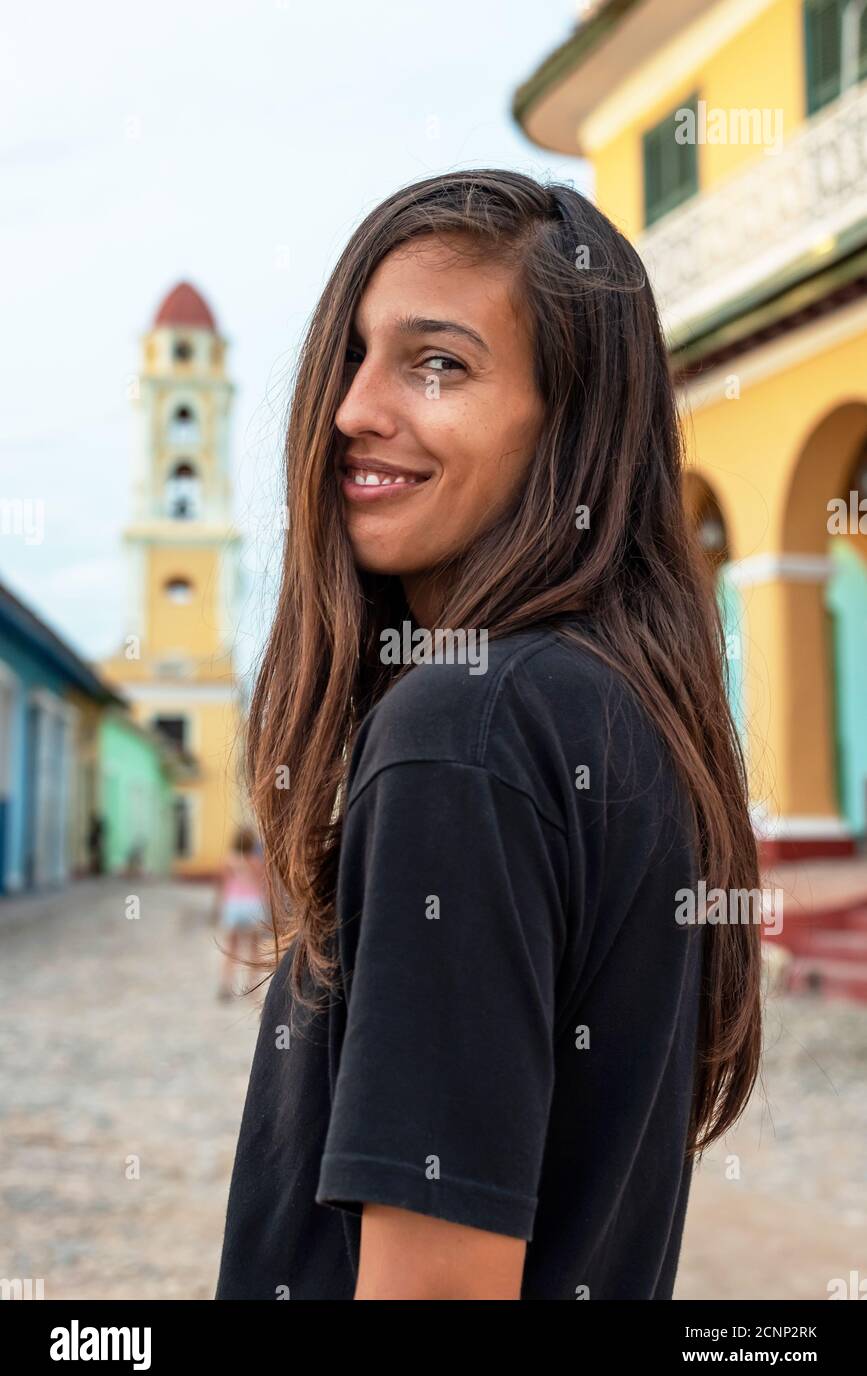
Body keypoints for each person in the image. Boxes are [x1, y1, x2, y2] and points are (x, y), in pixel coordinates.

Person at [215, 170, 763, 1300]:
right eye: (355, 356)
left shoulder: (462, 728)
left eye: (438, 364)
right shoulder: (620, 714)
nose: (355, 410)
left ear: (570, 427)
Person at [214, 828, 268, 1002]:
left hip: (234, 906)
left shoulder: (229, 861)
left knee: (231, 949)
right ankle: (253, 990)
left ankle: (225, 986)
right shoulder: (257, 861)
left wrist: (218, 909)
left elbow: (222, 887)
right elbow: (264, 886)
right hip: (253, 906)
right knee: (254, 951)